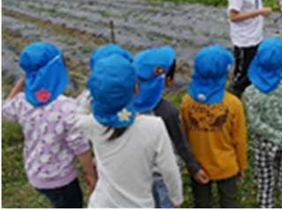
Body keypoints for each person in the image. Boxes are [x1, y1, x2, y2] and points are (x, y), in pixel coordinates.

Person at [77, 54, 183, 207]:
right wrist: (176, 199)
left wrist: (95, 90)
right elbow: (170, 170)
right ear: (136, 89)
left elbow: (77, 111)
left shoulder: (92, 124)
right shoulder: (154, 126)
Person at [2, 42, 97, 208]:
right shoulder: (67, 107)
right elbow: (80, 147)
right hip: (61, 180)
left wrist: (19, 86)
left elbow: (4, 111)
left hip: (35, 174)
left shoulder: (21, 101)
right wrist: (91, 175)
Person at [132, 46, 209, 207]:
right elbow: (180, 143)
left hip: (138, 175)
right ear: (167, 80)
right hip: (165, 176)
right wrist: (194, 168)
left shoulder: (125, 111)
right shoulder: (168, 113)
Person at [180, 45, 248, 208]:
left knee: (201, 202)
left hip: (198, 166)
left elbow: (184, 134)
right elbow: (239, 139)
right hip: (227, 165)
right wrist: (242, 164)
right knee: (229, 201)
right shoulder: (233, 104)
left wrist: (190, 164)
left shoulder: (187, 101)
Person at [242, 38, 282, 208]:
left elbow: (254, 123)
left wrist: (276, 137)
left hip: (262, 146)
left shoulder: (251, 92)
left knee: (265, 184)